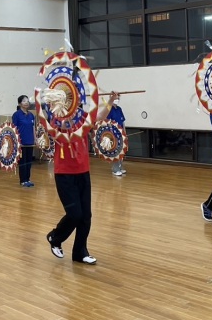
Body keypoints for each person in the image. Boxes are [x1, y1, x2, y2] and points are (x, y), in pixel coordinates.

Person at [46, 93, 115, 266]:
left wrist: (111, 101)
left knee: (86, 215)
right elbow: (54, 132)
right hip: (64, 174)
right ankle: (55, 237)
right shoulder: (56, 119)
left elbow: (97, 117)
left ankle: (80, 252)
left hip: (83, 171)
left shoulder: (82, 117)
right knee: (75, 214)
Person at [12, 95, 35, 187]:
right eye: (24, 101)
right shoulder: (16, 115)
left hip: (30, 141)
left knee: (29, 162)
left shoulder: (31, 115)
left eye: (27, 101)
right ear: (19, 103)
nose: (26, 102)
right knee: (23, 162)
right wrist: (16, 141)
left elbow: (33, 127)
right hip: (21, 142)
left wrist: (35, 139)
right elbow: (14, 129)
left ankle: (28, 179)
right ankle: (23, 180)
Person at [107, 95, 127, 177]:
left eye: (118, 98)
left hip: (121, 133)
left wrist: (125, 132)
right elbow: (107, 122)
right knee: (115, 152)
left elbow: (123, 122)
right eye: (115, 98)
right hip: (113, 134)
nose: (117, 100)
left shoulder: (119, 109)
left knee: (121, 151)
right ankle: (115, 169)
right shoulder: (108, 109)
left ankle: (120, 167)